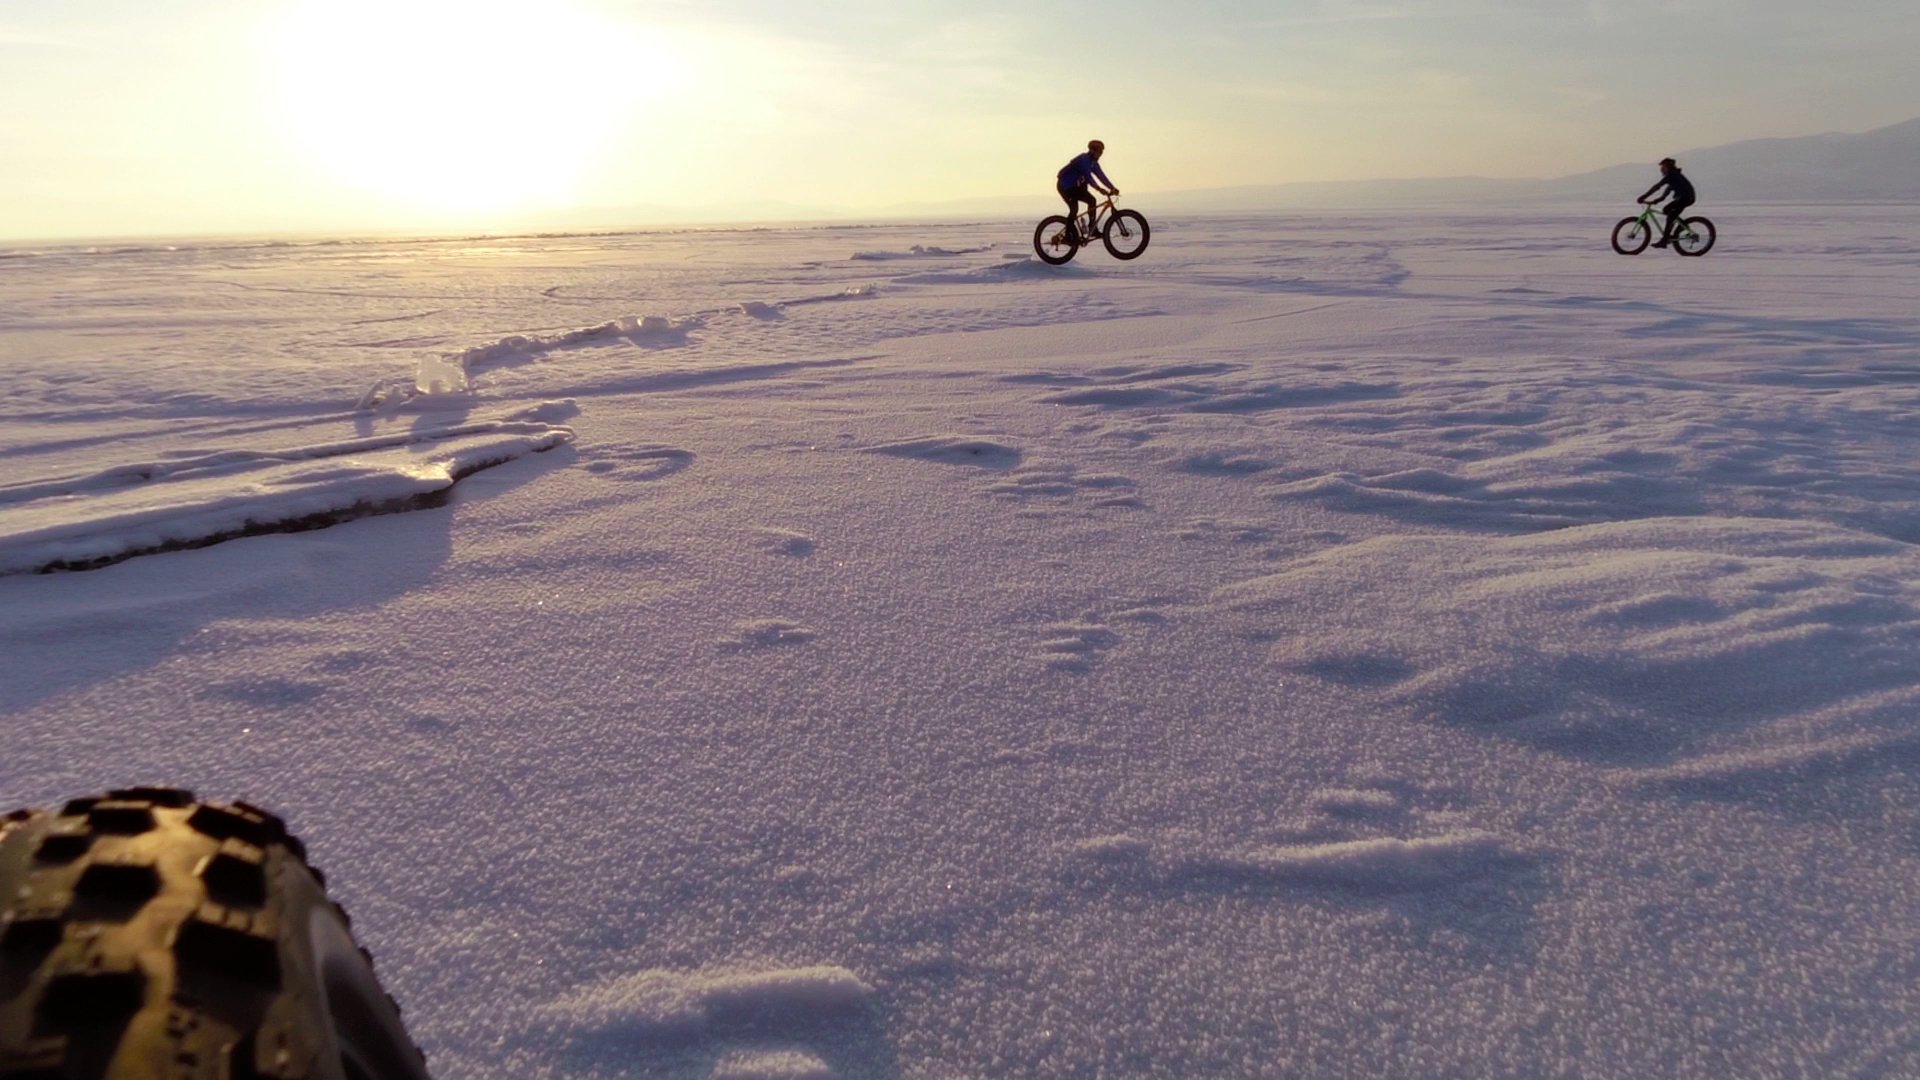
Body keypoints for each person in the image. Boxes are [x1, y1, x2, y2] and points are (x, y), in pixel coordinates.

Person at [1057, 140, 1118, 240]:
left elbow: (1101, 176)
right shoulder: (1084, 159)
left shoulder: (1093, 163)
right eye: (1099, 152)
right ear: (1092, 151)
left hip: (1075, 187)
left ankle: (1092, 229)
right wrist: (1098, 189)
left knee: (1092, 200)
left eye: (1101, 152)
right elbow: (1088, 176)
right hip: (1065, 186)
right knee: (1074, 209)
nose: (1100, 154)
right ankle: (1068, 235)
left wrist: (1112, 188)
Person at [1637, 157, 1696, 248]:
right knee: (1666, 210)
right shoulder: (1674, 176)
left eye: (1663, 167)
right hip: (1683, 198)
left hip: (1686, 198)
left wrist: (1644, 196)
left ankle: (1665, 240)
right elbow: (1668, 189)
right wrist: (1659, 199)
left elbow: (1657, 186)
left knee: (1671, 215)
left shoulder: (1671, 175)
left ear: (1668, 167)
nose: (1661, 169)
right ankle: (1681, 228)